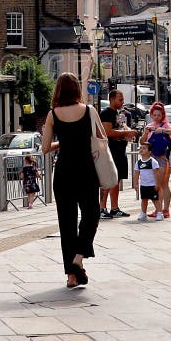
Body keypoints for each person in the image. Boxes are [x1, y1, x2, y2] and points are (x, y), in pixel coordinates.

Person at [42, 73, 100, 288]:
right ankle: (78, 258)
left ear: (58, 90)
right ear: (77, 89)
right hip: (86, 171)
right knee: (92, 214)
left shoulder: (52, 115)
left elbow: (46, 147)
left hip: (64, 172)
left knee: (67, 224)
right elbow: (99, 139)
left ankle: (72, 276)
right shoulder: (89, 111)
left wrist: (63, 143)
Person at [99, 90, 137, 219]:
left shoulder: (120, 114)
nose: (122, 102)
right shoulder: (106, 113)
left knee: (117, 179)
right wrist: (126, 133)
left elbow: (121, 127)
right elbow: (108, 132)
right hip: (110, 151)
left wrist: (127, 131)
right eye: (120, 99)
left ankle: (114, 208)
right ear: (112, 99)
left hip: (120, 150)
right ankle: (101, 208)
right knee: (108, 180)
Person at [140, 102, 171, 218]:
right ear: (151, 114)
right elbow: (142, 142)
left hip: (162, 158)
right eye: (154, 114)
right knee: (155, 184)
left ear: (163, 115)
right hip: (152, 158)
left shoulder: (166, 125)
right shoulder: (149, 125)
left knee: (163, 184)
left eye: (159, 115)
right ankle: (158, 208)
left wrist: (161, 130)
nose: (156, 117)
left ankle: (164, 209)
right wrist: (146, 133)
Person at [134, 141, 164, 221]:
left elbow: (156, 173)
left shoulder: (153, 162)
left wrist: (157, 184)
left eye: (144, 148)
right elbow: (136, 174)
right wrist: (135, 183)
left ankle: (159, 213)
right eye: (140, 148)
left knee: (155, 200)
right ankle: (143, 213)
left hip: (152, 185)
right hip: (143, 185)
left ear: (149, 152)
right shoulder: (138, 163)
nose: (141, 150)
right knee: (144, 200)